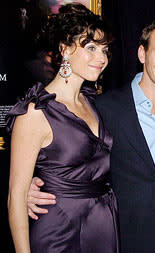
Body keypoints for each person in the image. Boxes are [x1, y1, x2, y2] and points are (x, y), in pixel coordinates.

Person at [25, 16, 155, 253]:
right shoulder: (103, 107)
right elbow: (71, 157)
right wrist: (34, 186)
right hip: (118, 237)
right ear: (142, 54)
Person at [6, 3, 119, 252]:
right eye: (91, 48)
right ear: (65, 49)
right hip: (59, 233)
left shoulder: (92, 104)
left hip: (102, 227)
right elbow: (16, 198)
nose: (101, 58)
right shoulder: (36, 112)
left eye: (105, 50)